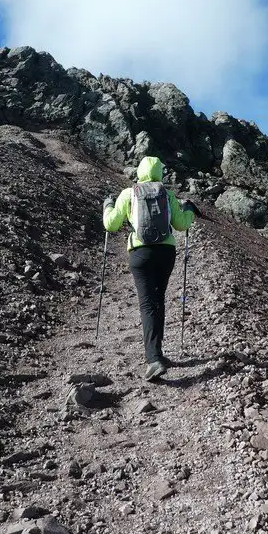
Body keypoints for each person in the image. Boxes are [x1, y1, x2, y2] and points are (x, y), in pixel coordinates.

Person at [102, 155, 197, 381]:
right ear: (159, 173)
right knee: (158, 300)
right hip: (166, 253)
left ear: (140, 172)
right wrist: (189, 211)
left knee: (147, 304)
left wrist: (107, 206)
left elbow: (111, 225)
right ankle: (158, 353)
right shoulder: (168, 194)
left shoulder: (128, 194)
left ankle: (153, 359)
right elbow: (182, 225)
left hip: (140, 253)